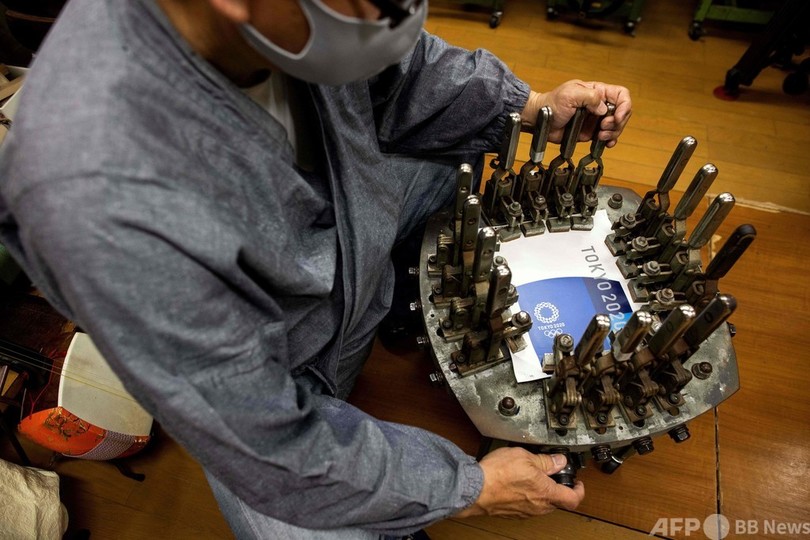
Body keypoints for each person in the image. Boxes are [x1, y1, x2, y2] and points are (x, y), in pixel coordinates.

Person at [0, 0, 631, 537]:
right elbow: (265, 441)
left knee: (455, 158)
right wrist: (466, 488)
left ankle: (394, 310)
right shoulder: (92, 198)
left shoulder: (299, 20)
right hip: (267, 383)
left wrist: (530, 107)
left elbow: (399, 70)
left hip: (344, 251)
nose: (395, 17)